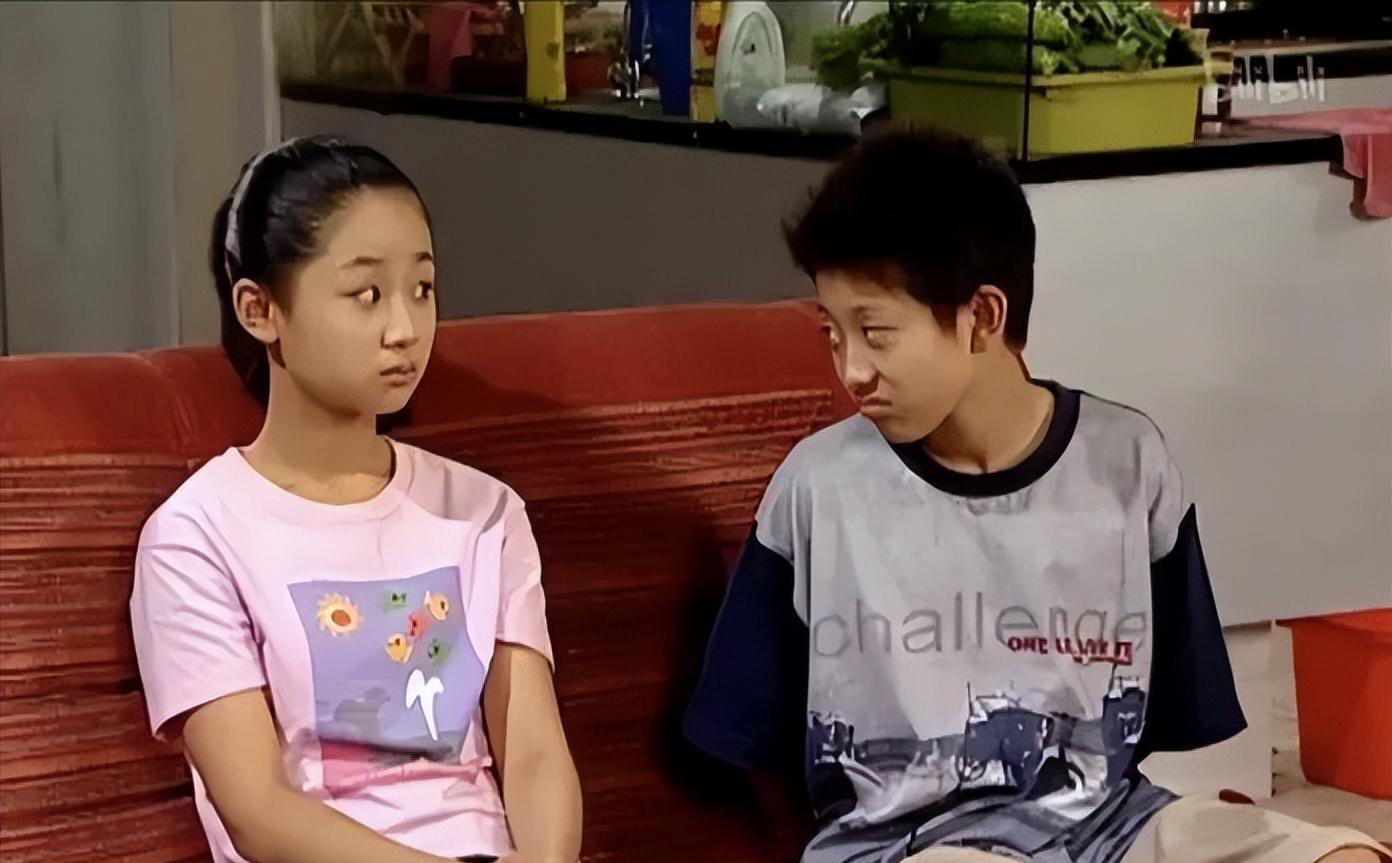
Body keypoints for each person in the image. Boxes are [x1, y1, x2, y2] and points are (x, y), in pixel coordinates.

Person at [683, 128, 1388, 863]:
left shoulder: (1129, 463)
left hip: (1112, 826)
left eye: (876, 332)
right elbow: (751, 741)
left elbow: (1154, 724)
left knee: (1342, 855)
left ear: (983, 317)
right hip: (909, 847)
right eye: (833, 334)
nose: (851, 370)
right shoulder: (817, 490)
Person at [130, 137, 582, 863]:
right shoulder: (196, 536)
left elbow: (532, 753)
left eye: (422, 288)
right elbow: (258, 812)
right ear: (260, 309)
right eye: (367, 294)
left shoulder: (484, 512)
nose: (405, 329)